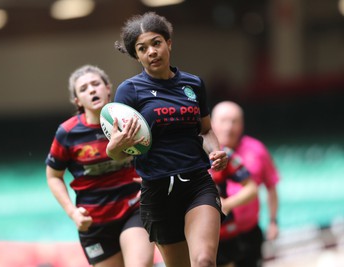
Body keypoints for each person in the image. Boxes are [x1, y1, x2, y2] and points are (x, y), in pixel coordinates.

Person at [106, 12, 228, 267]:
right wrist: (115, 147)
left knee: (204, 260)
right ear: (136, 55)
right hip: (157, 191)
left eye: (156, 43)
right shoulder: (129, 91)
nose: (151, 51)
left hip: (197, 184)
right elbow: (117, 152)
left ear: (169, 43)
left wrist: (215, 151)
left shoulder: (193, 85)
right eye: (142, 48)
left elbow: (205, 130)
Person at [45, 65, 155, 267]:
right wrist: (73, 213)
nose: (92, 90)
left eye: (96, 84)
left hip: (134, 209)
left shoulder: (131, 122)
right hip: (94, 222)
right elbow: (53, 176)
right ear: (78, 101)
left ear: (108, 88)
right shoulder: (67, 133)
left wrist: (152, 182)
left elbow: (155, 156)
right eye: (84, 88)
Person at [211, 101, 280, 267]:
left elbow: (271, 186)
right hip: (216, 235)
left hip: (248, 230)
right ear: (211, 123)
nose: (229, 127)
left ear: (242, 124)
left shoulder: (256, 149)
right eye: (224, 121)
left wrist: (273, 221)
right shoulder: (200, 153)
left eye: (234, 121)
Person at [209, 148, 258, 267]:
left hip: (224, 232)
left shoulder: (222, 154)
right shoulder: (174, 154)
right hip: (190, 234)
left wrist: (226, 204)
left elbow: (251, 188)